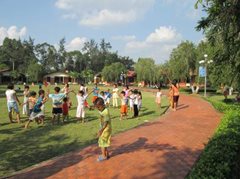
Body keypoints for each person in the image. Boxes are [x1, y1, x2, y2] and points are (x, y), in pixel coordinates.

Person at [94, 97, 112, 162]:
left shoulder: (105, 112)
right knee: (104, 142)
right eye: (97, 107)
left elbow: (106, 122)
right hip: (105, 128)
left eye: (99, 107)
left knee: (102, 143)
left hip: (105, 129)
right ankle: (107, 154)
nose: (98, 109)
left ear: (102, 105)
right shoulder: (102, 109)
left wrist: (101, 130)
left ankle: (104, 156)